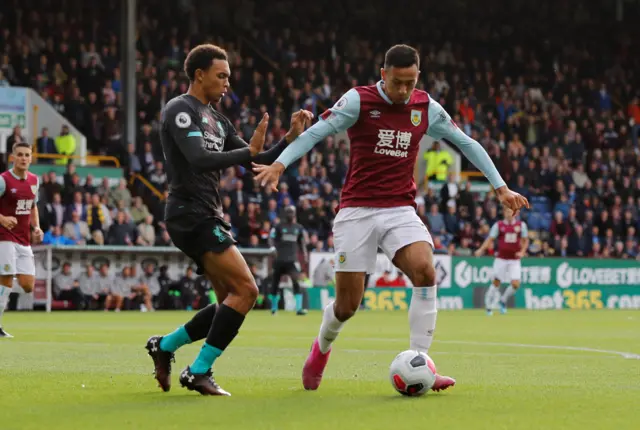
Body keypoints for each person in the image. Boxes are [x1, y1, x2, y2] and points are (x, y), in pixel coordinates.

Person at [254, 44, 529, 392]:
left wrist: (500, 187)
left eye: (410, 83)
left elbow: (467, 143)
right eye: (397, 82)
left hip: (400, 209)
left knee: (425, 271)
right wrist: (280, 164)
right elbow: (314, 134)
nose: (403, 91)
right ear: (383, 75)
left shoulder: (426, 107)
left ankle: (422, 363)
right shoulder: (358, 101)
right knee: (347, 305)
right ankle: (320, 351)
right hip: (356, 211)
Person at [144, 44, 312, 396]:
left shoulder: (219, 120)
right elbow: (199, 158)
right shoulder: (180, 109)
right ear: (199, 74)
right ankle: (199, 370)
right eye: (221, 76)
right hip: (190, 212)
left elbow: (256, 160)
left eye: (229, 78)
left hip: (206, 213)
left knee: (229, 302)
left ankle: (166, 345)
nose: (227, 84)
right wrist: (248, 151)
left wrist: (290, 139)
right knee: (248, 291)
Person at [0, 142, 44, 338]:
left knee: (27, 285)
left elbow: (33, 206)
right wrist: (2, 218)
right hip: (4, 237)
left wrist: (37, 227)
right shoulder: (3, 180)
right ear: (13, 157)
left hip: (23, 239)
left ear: (31, 157)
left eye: (27, 155)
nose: (24, 158)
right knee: (7, 279)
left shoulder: (35, 180)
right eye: (20, 155)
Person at [475, 207, 529, 315]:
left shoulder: (521, 226)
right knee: (496, 282)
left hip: (514, 259)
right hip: (501, 259)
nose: (509, 214)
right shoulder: (498, 225)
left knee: (515, 284)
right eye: (507, 211)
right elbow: (490, 239)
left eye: (511, 212)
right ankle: (489, 306)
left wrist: (522, 252)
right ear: (504, 213)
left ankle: (503, 301)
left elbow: (525, 240)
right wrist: (481, 250)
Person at [268, 205, 308, 315]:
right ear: (285, 214)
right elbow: (271, 237)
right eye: (288, 212)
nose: (290, 215)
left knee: (296, 282)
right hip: (279, 259)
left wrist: (304, 253)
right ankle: (274, 308)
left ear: (294, 214)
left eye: (292, 213)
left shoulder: (298, 228)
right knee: (275, 283)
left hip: (292, 260)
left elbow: (302, 242)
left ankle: (299, 309)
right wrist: (272, 247)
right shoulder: (278, 226)